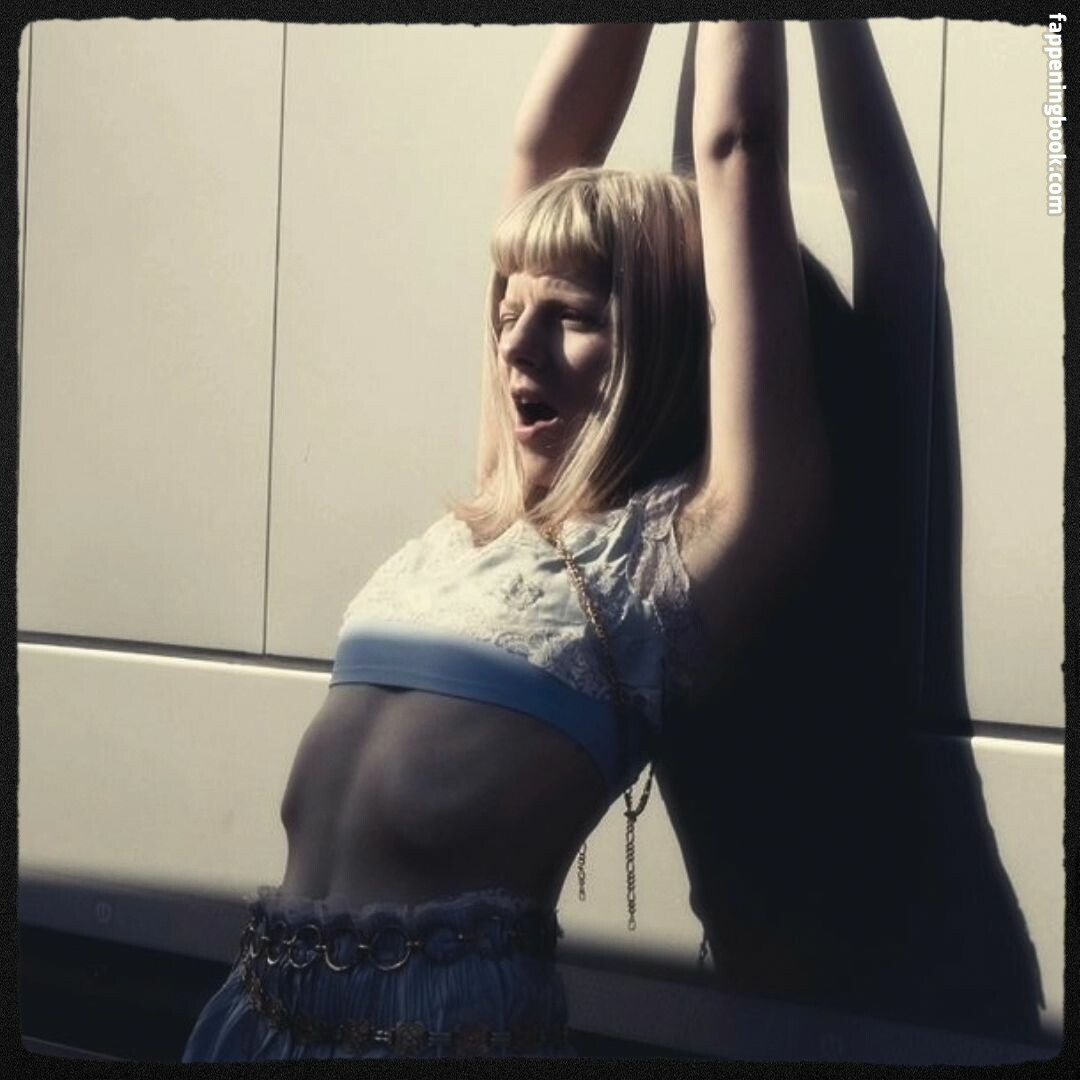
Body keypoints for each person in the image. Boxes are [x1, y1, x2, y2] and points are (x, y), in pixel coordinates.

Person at [181, 20, 828, 1060]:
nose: (512, 344)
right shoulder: (492, 504)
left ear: (663, 339)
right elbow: (543, 150)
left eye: (569, 314)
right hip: (246, 1024)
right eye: (506, 309)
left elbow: (737, 148)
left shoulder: (693, 552)